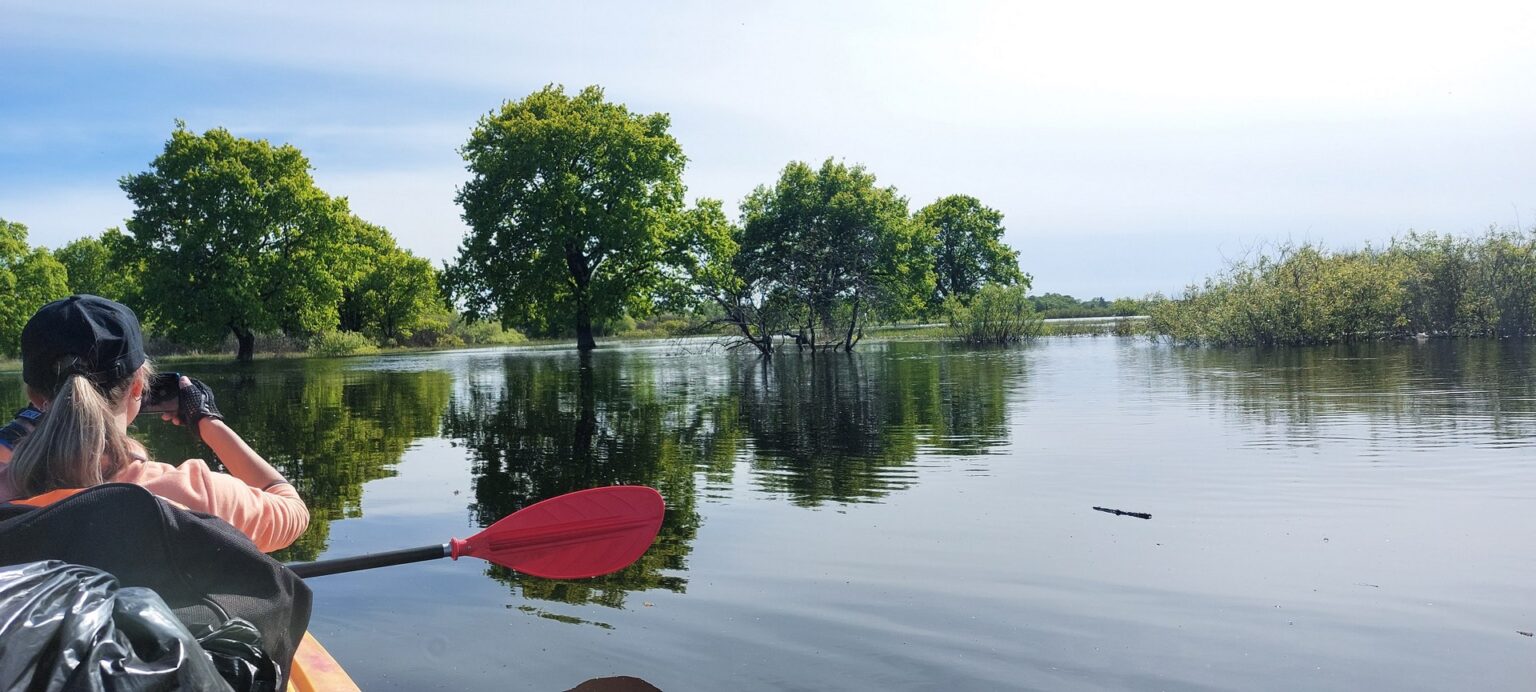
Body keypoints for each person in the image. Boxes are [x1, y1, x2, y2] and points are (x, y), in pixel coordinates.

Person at [0, 295, 308, 552]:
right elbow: (292, 511)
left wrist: (24, 429)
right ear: (137, 387)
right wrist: (208, 422)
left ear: (33, 395)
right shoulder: (199, 496)